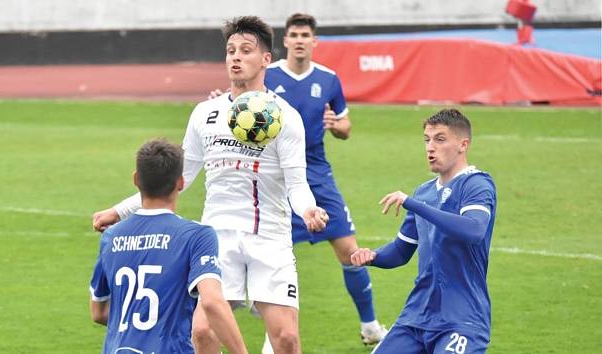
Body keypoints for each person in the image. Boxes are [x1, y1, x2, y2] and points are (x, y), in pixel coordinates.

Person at [92, 16, 328, 354]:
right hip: (217, 236)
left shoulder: (284, 116)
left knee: (287, 339)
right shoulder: (205, 113)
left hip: (269, 236)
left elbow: (297, 183)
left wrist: (308, 210)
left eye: (246, 51)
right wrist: (119, 210)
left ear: (265, 60)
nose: (235, 57)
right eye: (230, 50)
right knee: (202, 331)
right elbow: (180, 178)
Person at [211, 14, 388, 350]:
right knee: (269, 257)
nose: (300, 40)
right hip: (273, 176)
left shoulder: (329, 79)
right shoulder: (268, 73)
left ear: (314, 41)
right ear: (287, 41)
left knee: (349, 250)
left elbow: (347, 126)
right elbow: (236, 100)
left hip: (317, 174)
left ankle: (370, 326)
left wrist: (337, 125)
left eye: (306, 35)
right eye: (294, 35)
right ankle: (266, 326)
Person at [351, 109, 497, 354]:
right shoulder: (424, 192)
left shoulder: (477, 184)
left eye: (440, 139)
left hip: (461, 319)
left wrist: (415, 204)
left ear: (463, 144)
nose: (430, 147)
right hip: (417, 317)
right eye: (427, 140)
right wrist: (373, 257)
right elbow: (401, 251)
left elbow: (474, 229)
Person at [89, 138, 248, 354]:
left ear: (136, 180)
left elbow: (98, 312)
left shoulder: (111, 237)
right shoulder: (197, 236)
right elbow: (211, 302)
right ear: (180, 183)